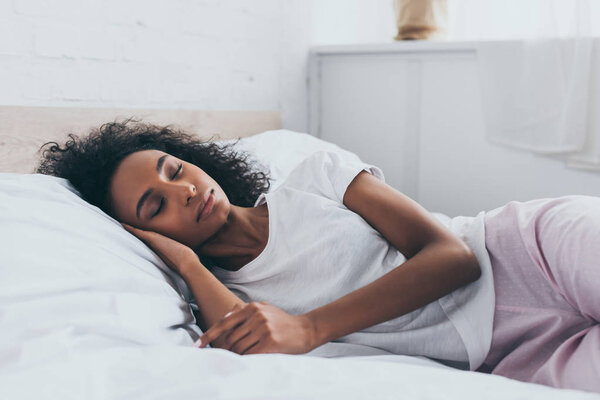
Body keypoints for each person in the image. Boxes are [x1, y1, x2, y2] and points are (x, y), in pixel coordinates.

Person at [37, 119, 599, 394]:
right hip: (507, 358)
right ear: (142, 234)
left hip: (527, 252)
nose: (183, 191)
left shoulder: (315, 178)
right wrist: (183, 265)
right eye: (155, 205)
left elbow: (452, 257)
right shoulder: (236, 299)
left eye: (174, 169)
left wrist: (310, 329)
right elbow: (246, 349)